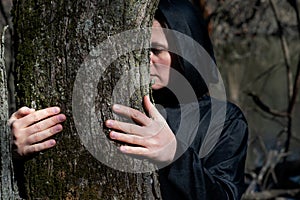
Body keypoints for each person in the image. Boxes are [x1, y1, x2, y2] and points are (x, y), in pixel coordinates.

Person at [9, 0, 248, 199]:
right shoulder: (107, 102)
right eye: (140, 50)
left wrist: (175, 157)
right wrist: (12, 152)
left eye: (156, 50)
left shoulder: (223, 119)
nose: (146, 60)